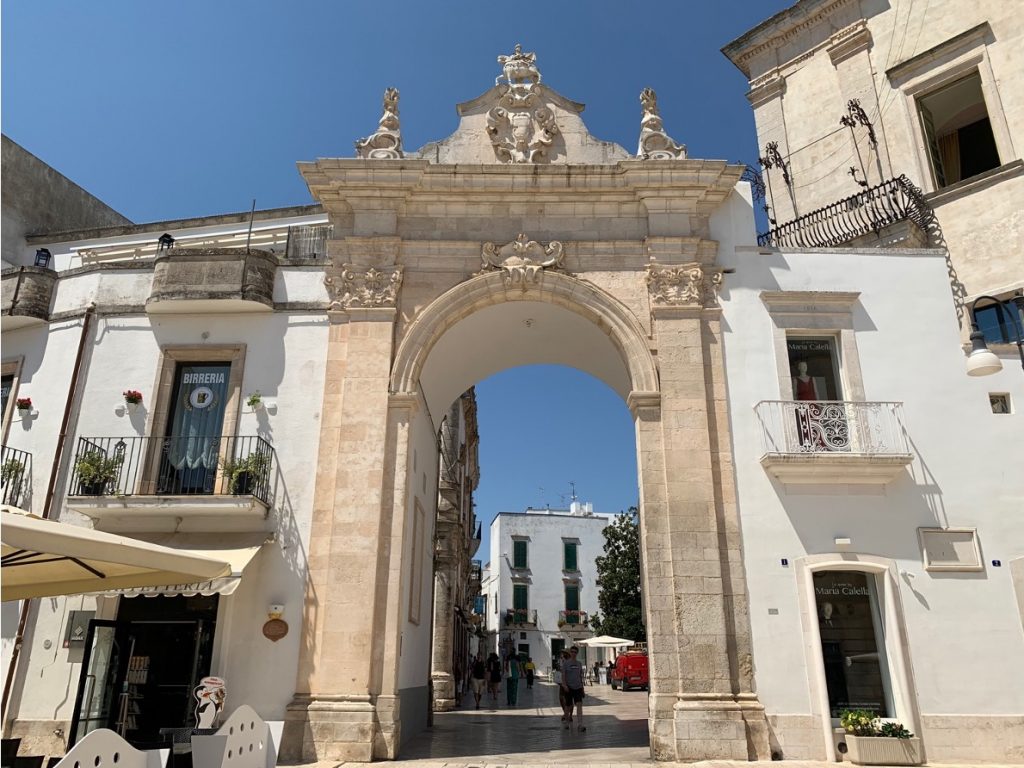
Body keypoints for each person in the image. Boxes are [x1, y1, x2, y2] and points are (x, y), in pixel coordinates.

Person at [561, 646, 586, 732]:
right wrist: (564, 685)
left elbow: (580, 676)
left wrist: (582, 687)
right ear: (570, 653)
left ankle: (580, 724)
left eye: (575, 652)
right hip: (569, 687)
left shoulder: (579, 664)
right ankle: (567, 722)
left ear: (577, 653)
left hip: (578, 687)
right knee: (569, 706)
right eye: (572, 652)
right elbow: (563, 675)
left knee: (579, 705)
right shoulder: (566, 663)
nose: (573, 653)